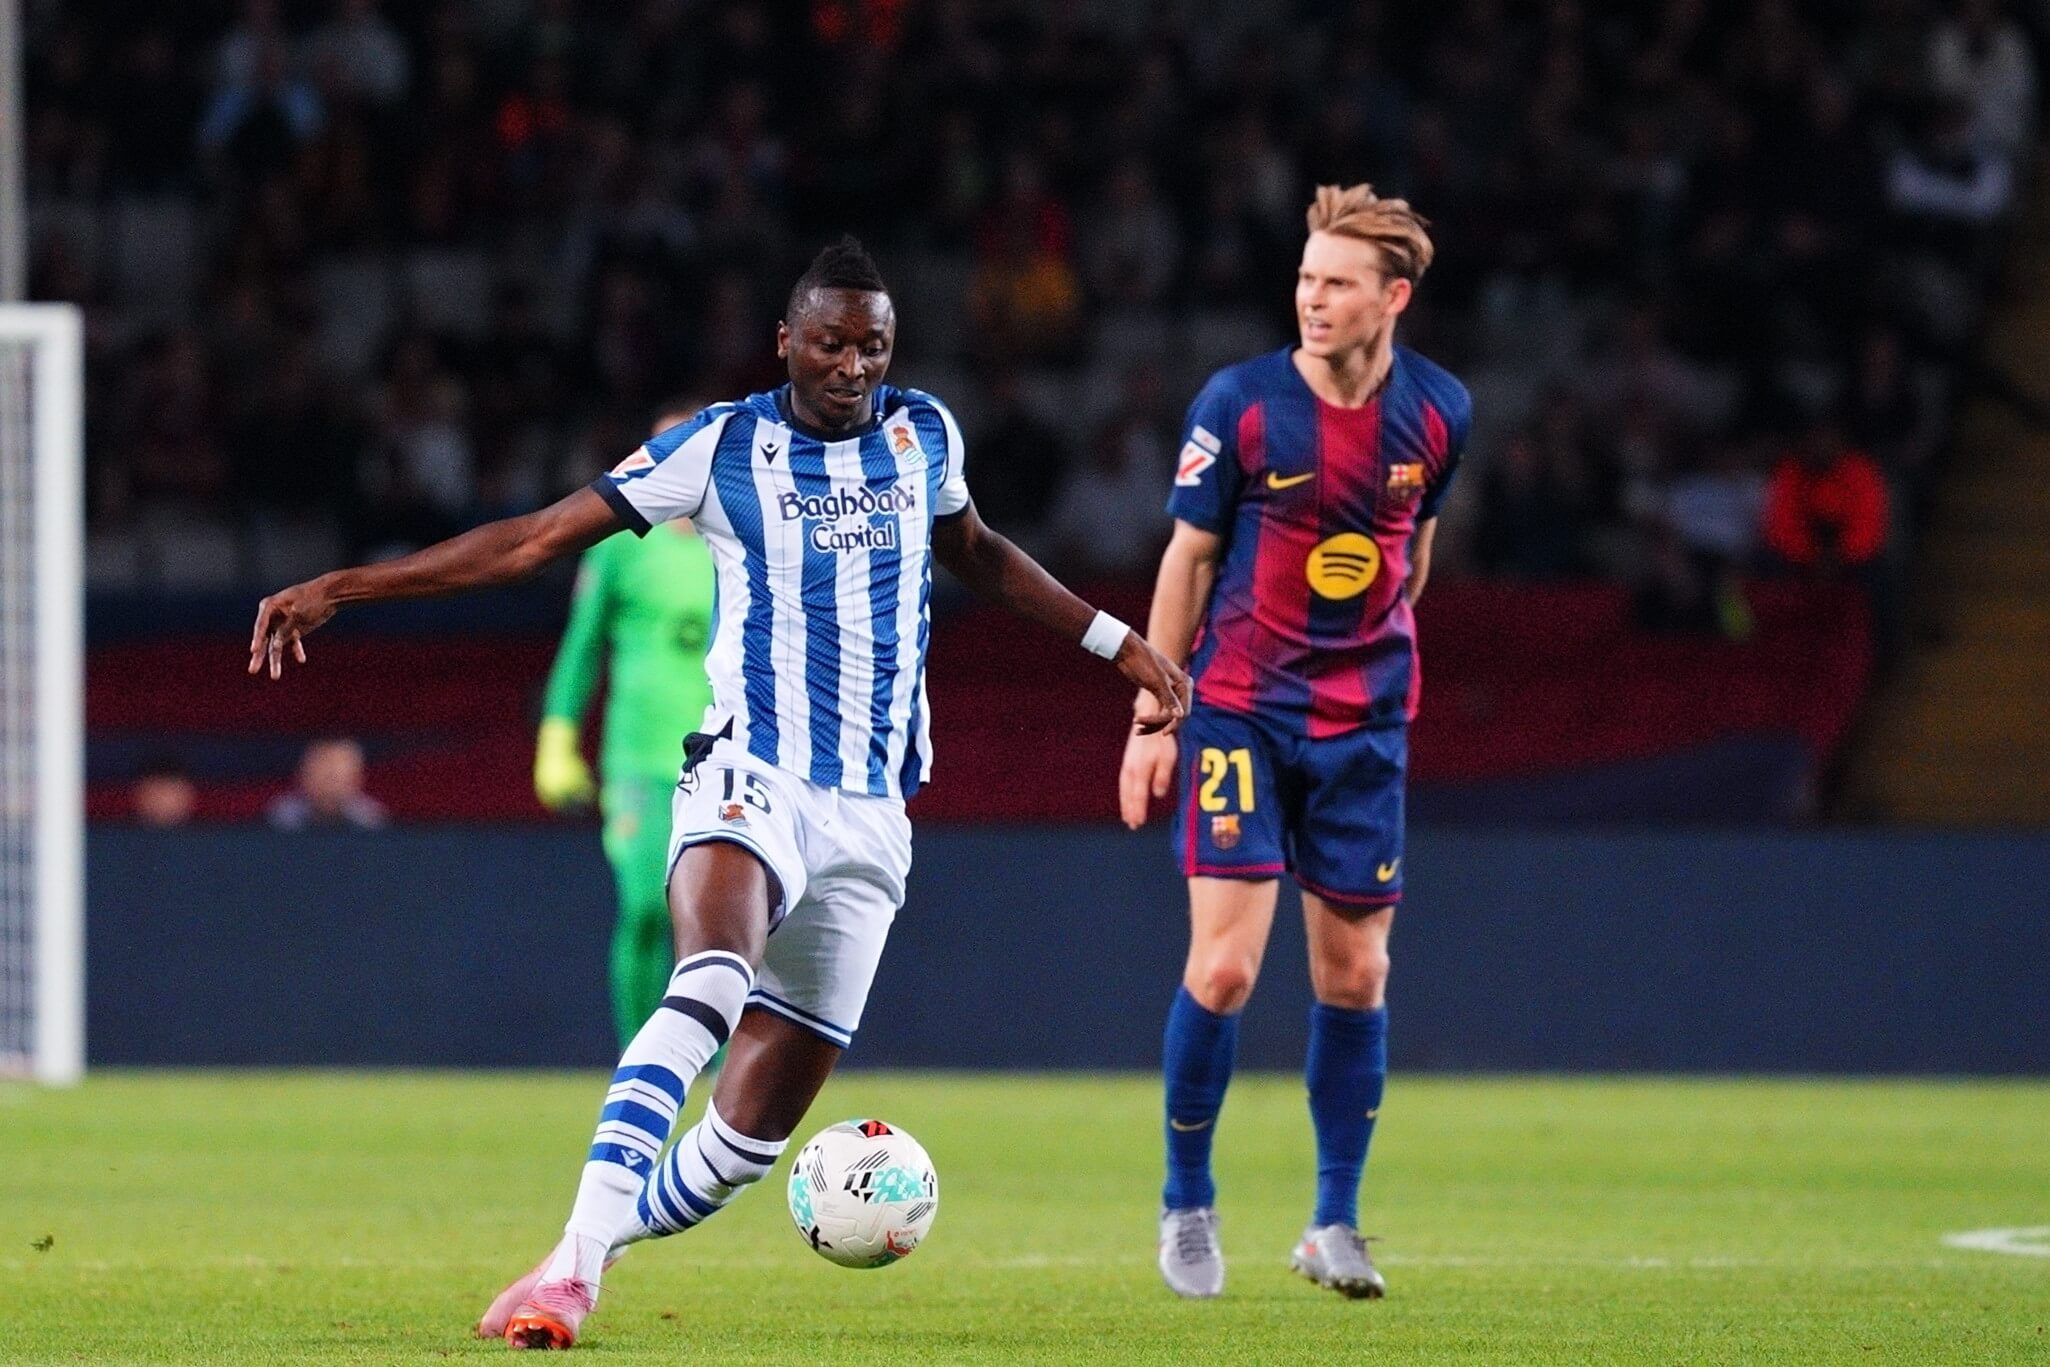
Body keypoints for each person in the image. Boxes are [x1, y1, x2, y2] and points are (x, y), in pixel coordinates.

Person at [247, 238, 1190, 1350]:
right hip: (752, 771)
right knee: (706, 977)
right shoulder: (717, 446)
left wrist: (1114, 640)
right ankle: (578, 1275)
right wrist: (345, 585)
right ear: (785, 340)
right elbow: (534, 540)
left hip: (874, 811)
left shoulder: (922, 431)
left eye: (872, 345)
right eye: (832, 342)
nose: (852, 365)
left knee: (746, 1143)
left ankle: (574, 1249)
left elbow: (975, 551)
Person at [1118, 185, 1469, 1301]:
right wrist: (1152, 716)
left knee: (1356, 971)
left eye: (1335, 283)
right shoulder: (1242, 404)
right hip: (1240, 708)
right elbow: (1185, 562)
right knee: (1223, 966)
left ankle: (1333, 1220)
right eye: (1305, 278)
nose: (1310, 298)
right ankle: (1185, 1201)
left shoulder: (1441, 410)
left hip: (1365, 720)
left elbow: (1413, 543)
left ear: (1391, 298)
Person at [535, 398, 720, 1048]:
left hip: (728, 763)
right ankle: (638, 1061)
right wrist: (557, 739)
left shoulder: (742, 544)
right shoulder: (619, 545)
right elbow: (582, 649)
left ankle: (716, 1072)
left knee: (718, 925)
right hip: (639, 760)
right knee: (648, 907)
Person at [265, 737, 388, 830]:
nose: (329, 787)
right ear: (303, 777)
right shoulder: (280, 820)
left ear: (356, 780)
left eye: (335, 777)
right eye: (322, 775)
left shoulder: (371, 821)